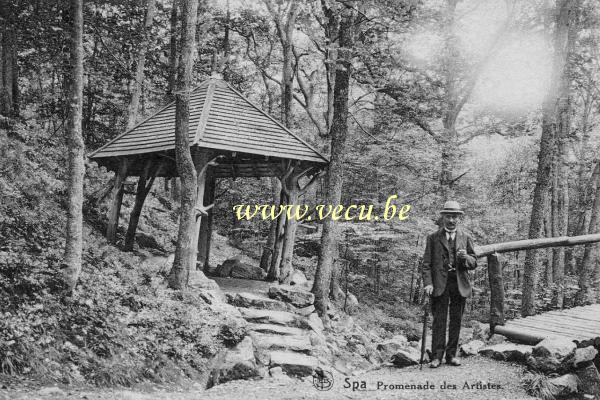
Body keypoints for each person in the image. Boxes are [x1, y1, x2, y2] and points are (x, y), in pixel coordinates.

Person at [422, 200, 477, 368]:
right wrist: (428, 283)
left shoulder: (465, 237)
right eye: (448, 216)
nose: (451, 220)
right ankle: (436, 356)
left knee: (456, 320)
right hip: (439, 284)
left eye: (454, 217)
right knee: (439, 320)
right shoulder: (433, 237)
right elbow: (426, 264)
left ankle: (451, 355)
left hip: (459, 284)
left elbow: (474, 261)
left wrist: (465, 258)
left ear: (458, 218)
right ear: (443, 217)